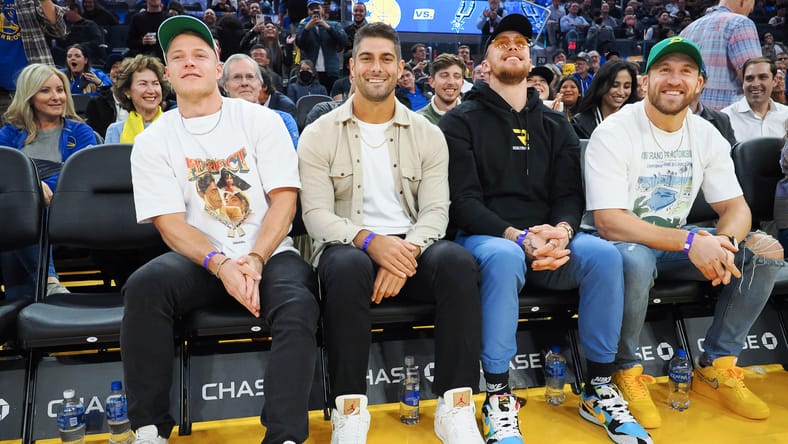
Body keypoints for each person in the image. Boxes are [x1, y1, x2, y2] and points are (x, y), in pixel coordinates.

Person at [440, 13, 651, 444]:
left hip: (550, 239)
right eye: (503, 42)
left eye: (521, 41)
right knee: (502, 258)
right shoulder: (459, 121)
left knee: (605, 257)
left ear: (531, 55)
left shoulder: (556, 124)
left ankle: (598, 384)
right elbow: (462, 203)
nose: (513, 46)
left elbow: (570, 194)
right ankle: (498, 393)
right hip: (492, 239)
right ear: (486, 59)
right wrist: (520, 237)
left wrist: (562, 231)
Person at [121, 15, 319, 444]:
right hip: (200, 260)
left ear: (217, 66)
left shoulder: (261, 121)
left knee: (297, 305)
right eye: (178, 58)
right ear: (168, 73)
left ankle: (284, 435)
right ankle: (150, 428)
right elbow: (169, 224)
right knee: (145, 286)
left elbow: (285, 200)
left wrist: (253, 258)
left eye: (199, 55)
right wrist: (219, 262)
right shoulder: (152, 141)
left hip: (268, 253)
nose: (189, 63)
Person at [298, 21, 484, 444]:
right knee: (345, 269)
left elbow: (437, 212)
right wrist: (370, 242)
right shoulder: (318, 134)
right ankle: (349, 410)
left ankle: (455, 407)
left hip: (411, 246)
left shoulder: (428, 135)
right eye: (366, 58)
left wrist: (405, 253)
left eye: (386, 59)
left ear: (402, 68)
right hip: (347, 245)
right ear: (351, 68)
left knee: (457, 262)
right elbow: (316, 216)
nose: (376, 67)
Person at [585, 36, 784, 430]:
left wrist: (724, 244)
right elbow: (609, 221)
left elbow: (735, 208)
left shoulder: (707, 133)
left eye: (685, 72)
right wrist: (693, 242)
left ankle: (716, 365)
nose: (674, 80)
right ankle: (627, 370)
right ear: (646, 81)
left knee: (762, 253)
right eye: (664, 70)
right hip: (617, 246)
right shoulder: (614, 131)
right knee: (635, 257)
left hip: (677, 242)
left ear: (699, 84)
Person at [0, 64, 96, 298]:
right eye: (46, 91)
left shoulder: (81, 132)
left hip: (69, 208)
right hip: (23, 211)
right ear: (29, 96)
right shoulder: (10, 133)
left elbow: (81, 174)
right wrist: (32, 190)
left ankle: (39, 289)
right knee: (18, 213)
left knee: (21, 212)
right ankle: (44, 292)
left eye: (60, 90)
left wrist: (33, 188)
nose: (57, 97)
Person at [680, 0, 762, 111]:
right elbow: (756, 78)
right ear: (743, 1)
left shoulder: (687, 30)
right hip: (728, 118)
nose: (749, 13)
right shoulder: (741, 22)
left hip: (692, 116)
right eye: (750, 9)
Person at [0, 0, 66, 115]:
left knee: (42, 130)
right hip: (2, 90)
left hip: (34, 85)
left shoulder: (29, 1)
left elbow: (58, 30)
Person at [220, 53, 300, 147]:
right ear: (225, 86)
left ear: (260, 84)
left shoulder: (284, 121)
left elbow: (290, 159)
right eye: (237, 77)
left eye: (250, 77)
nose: (244, 83)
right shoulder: (214, 123)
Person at [105, 55, 169, 143]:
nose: (151, 90)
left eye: (155, 83)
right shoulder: (115, 131)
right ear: (127, 91)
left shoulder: (176, 126)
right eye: (143, 84)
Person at [721, 57, 788, 141]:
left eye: (763, 77)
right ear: (743, 83)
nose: (755, 84)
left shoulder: (785, 115)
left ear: (774, 81)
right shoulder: (725, 118)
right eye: (749, 78)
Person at [572, 59, 639, 138]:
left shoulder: (637, 121)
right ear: (601, 85)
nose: (621, 92)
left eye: (627, 87)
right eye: (615, 85)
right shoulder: (580, 124)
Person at [295, 0, 348, 93]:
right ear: (308, 11)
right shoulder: (303, 26)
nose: (315, 11)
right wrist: (307, 28)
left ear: (322, 10)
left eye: (317, 8)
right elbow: (299, 43)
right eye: (312, 9)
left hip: (331, 71)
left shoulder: (334, 25)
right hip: (311, 72)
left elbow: (344, 40)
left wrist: (327, 26)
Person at [690, 71, 738, 147]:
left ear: (702, 82)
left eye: (689, 76)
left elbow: (732, 155)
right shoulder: (666, 118)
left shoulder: (721, 120)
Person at [86, 54, 128, 136]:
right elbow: (94, 134)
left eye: (123, 68)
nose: (118, 71)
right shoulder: (96, 103)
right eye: (114, 67)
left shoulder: (138, 101)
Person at [416, 54, 465, 125]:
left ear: (462, 82)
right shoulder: (418, 121)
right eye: (444, 76)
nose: (451, 82)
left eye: (456, 76)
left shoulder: (474, 119)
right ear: (432, 82)